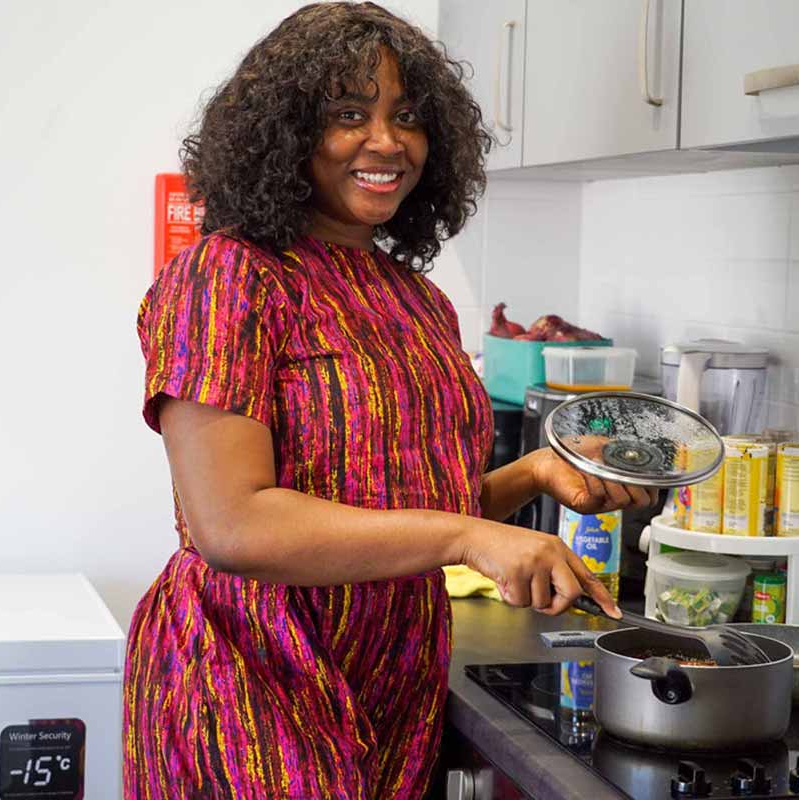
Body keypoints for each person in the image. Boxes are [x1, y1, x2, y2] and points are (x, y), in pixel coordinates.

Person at [126, 3, 657, 797]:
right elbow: (233, 526)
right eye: (349, 114)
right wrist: (468, 537)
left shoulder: (415, 299)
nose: (387, 141)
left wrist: (535, 474)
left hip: (391, 681)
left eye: (406, 117)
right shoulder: (227, 277)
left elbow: (395, 506)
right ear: (286, 133)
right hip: (250, 678)